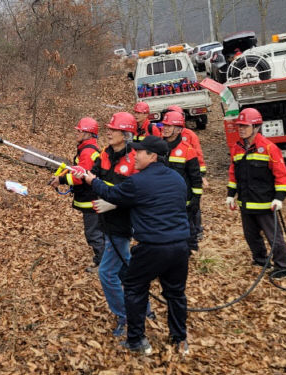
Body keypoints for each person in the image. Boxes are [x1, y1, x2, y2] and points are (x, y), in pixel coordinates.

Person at [74, 136, 191, 356]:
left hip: (153, 248)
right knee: (175, 294)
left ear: (153, 156)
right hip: (180, 248)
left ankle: (137, 340)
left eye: (140, 152)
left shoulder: (139, 181)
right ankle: (180, 339)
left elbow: (111, 193)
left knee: (135, 289)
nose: (135, 155)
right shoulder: (177, 179)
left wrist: (91, 180)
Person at [226, 108, 286, 278]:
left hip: (265, 203)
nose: (240, 129)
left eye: (244, 126)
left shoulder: (269, 148)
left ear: (256, 127)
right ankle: (260, 260)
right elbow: (233, 173)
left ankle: (282, 267)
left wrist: (279, 198)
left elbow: (281, 174)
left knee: (274, 237)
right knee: (251, 236)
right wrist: (231, 194)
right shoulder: (237, 148)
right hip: (246, 202)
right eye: (239, 125)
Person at [90, 112, 138, 337]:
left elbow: (137, 194)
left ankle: (125, 315)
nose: (108, 132)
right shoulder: (104, 155)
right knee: (127, 269)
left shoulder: (135, 160)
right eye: (108, 128)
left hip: (123, 224)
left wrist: (115, 204)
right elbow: (93, 178)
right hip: (107, 223)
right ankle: (144, 309)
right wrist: (72, 177)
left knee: (107, 273)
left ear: (126, 133)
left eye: (114, 129)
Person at [50, 118, 105, 273]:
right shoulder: (88, 148)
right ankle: (104, 261)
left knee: (93, 233)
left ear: (88, 133)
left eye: (79, 131)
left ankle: (103, 264)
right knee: (98, 232)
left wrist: (60, 180)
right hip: (92, 197)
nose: (76, 132)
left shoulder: (87, 152)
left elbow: (80, 177)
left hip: (91, 200)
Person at [160, 111, 203, 253]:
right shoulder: (159, 148)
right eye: (164, 125)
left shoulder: (187, 150)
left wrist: (196, 199)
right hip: (164, 197)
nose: (165, 128)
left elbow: (195, 178)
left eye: (169, 126)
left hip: (183, 198)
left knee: (186, 225)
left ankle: (192, 248)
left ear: (178, 130)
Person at [165, 105, 209, 241]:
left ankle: (196, 231)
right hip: (170, 192)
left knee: (192, 211)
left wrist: (202, 176)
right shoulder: (161, 144)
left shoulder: (189, 137)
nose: (165, 128)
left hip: (186, 184)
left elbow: (197, 157)